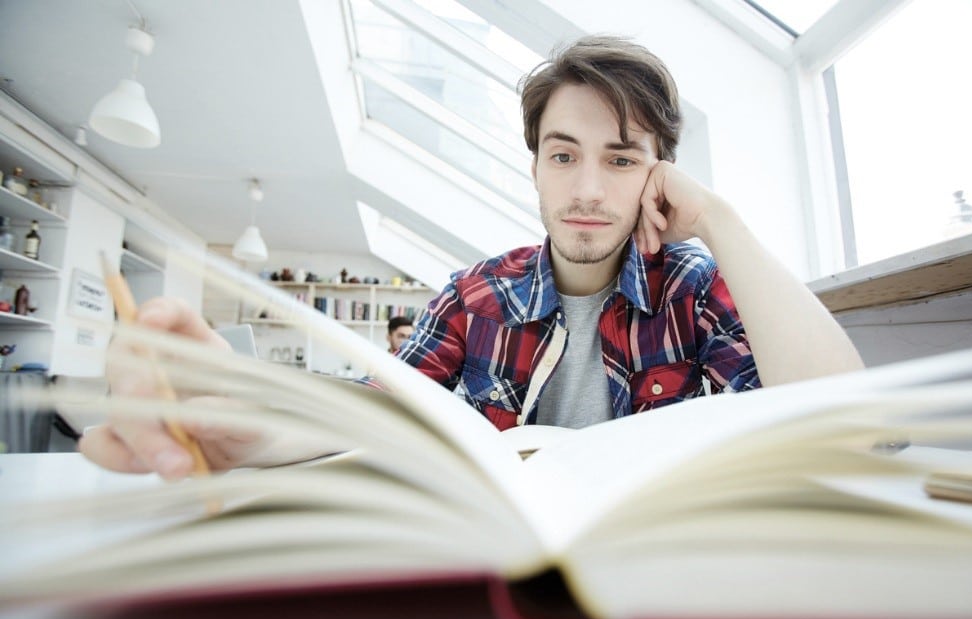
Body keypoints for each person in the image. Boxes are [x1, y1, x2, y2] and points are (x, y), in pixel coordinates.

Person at [80, 35, 863, 479]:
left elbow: (853, 431)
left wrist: (720, 218)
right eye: (563, 156)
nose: (588, 188)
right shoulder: (479, 294)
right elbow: (377, 405)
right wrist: (245, 422)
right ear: (533, 166)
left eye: (621, 160)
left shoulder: (694, 289)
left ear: (659, 174)